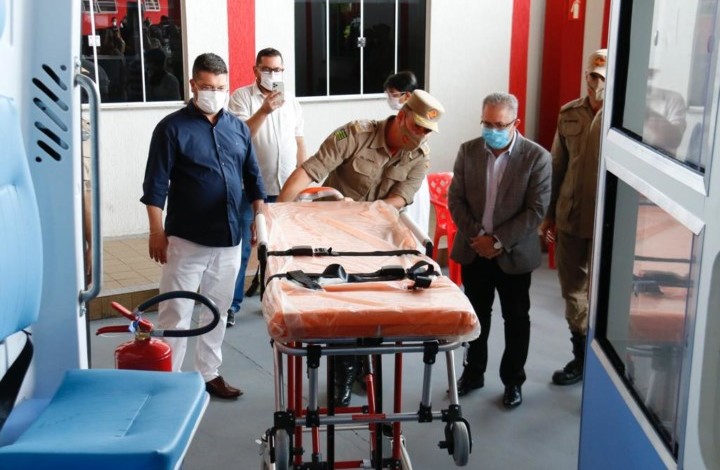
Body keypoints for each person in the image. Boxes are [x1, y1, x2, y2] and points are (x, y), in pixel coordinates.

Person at [279, 89, 445, 406]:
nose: (421, 136)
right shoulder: (357, 134)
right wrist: (277, 216)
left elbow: (401, 198)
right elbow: (309, 171)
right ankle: (342, 375)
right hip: (332, 236)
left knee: (373, 303)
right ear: (403, 116)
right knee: (342, 306)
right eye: (418, 127)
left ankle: (363, 366)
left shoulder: (419, 156)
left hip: (375, 238)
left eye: (427, 131)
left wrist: (367, 213)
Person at [141, 53, 266, 400]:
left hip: (229, 238)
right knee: (176, 311)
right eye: (208, 87)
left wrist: (259, 217)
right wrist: (156, 231)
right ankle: (168, 380)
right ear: (193, 85)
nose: (215, 93)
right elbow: (155, 185)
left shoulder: (237, 128)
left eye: (221, 87)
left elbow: (253, 178)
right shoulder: (171, 128)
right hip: (186, 240)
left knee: (218, 309)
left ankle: (208, 373)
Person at [448, 92, 551, 409]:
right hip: (474, 250)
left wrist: (497, 241)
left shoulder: (536, 157)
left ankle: (513, 381)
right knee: (476, 318)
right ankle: (473, 374)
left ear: (515, 123)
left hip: (514, 254)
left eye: (499, 124)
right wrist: (479, 237)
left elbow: (536, 210)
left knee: (516, 319)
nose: (492, 130)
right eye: (486, 123)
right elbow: (456, 200)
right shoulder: (468, 151)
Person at [226, 47, 307, 326]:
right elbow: (240, 136)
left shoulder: (291, 101)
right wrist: (264, 109)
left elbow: (299, 141)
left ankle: (275, 299)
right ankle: (230, 306)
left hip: (286, 187)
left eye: (278, 70)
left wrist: (304, 177)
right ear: (256, 70)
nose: (273, 75)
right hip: (247, 188)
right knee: (240, 248)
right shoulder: (241, 97)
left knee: (281, 248)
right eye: (268, 69)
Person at [540, 49, 606, 386]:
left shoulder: (623, 116)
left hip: (607, 221)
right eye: (593, 76)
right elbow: (557, 165)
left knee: (605, 292)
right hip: (570, 216)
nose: (597, 83)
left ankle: (605, 364)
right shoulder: (569, 113)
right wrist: (549, 215)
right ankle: (581, 357)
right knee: (572, 289)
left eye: (604, 77)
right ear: (586, 77)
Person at [383, 71, 431, 235]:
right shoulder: (399, 119)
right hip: (398, 177)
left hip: (411, 178)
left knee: (414, 224)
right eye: (388, 93)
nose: (390, 98)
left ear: (408, 95)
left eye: (394, 94)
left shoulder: (420, 121)